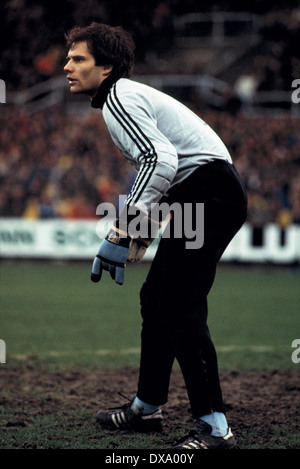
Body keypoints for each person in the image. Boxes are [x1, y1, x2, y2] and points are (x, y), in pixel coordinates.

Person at [64, 22, 247, 450]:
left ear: (106, 67)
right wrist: (144, 230)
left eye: (78, 59)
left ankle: (216, 428)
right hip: (202, 191)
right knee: (157, 299)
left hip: (210, 194)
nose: (67, 66)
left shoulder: (119, 98)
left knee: (182, 307)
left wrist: (123, 227)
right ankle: (147, 408)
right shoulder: (122, 97)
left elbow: (161, 160)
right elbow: (173, 169)